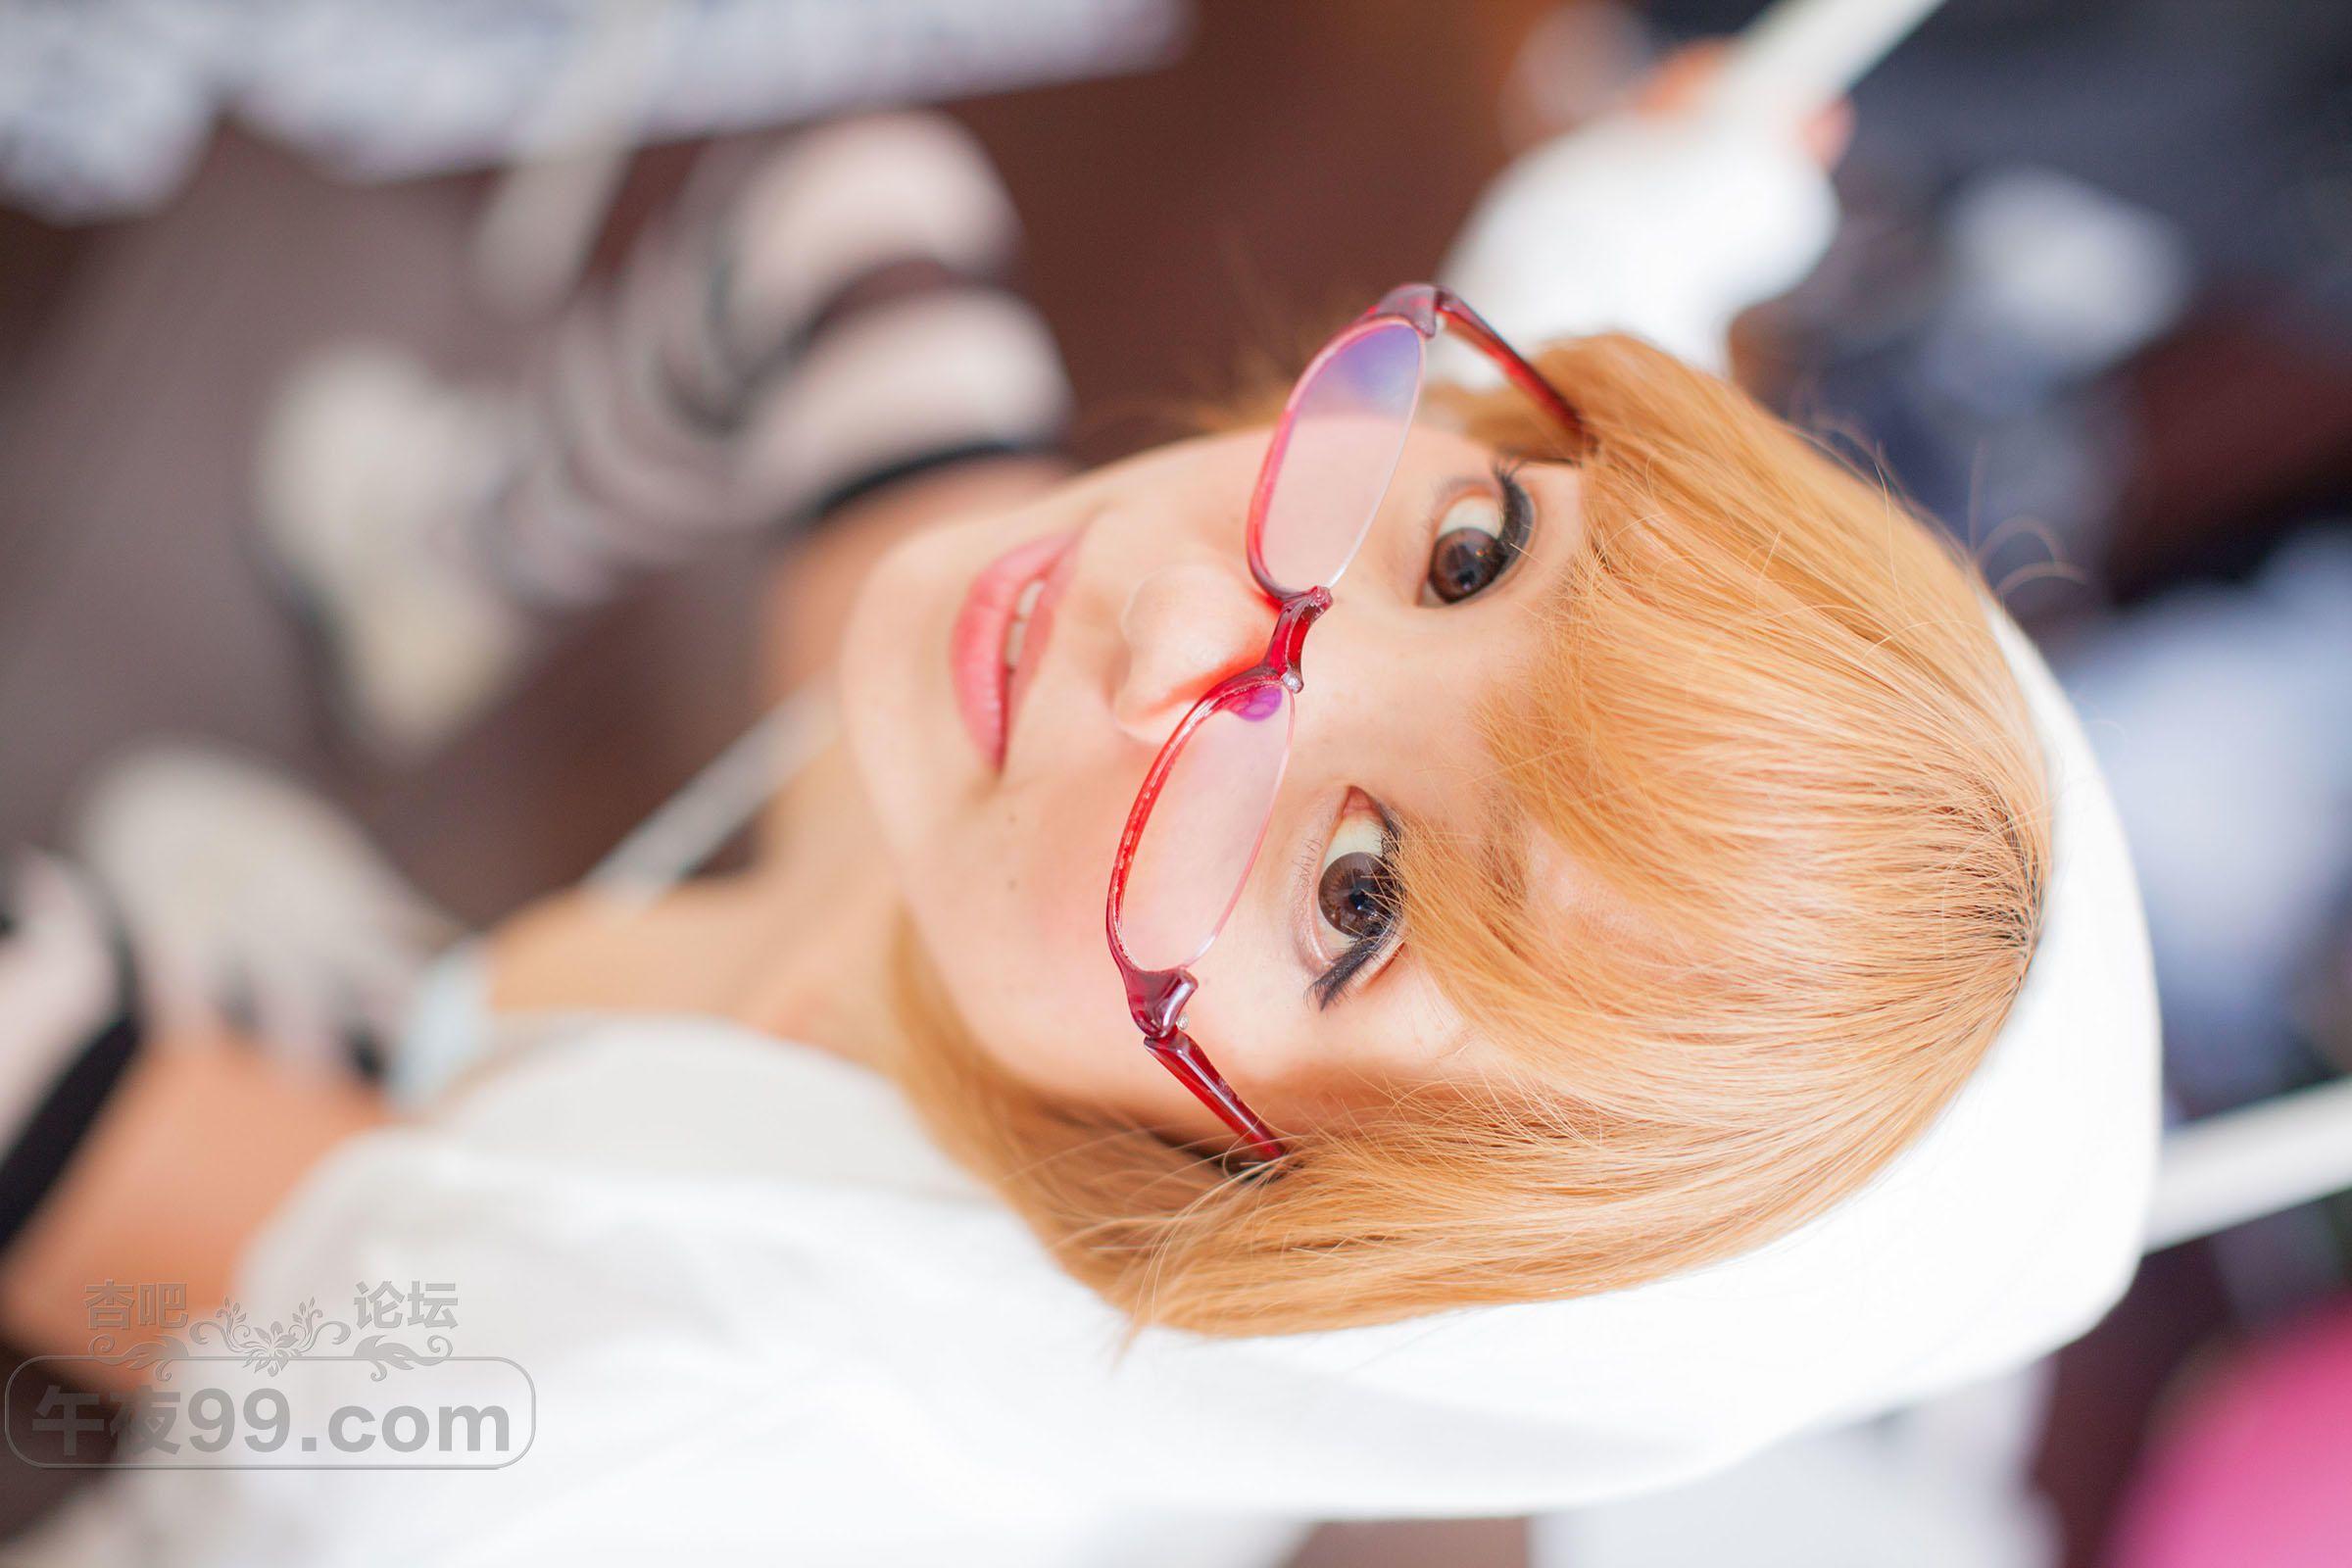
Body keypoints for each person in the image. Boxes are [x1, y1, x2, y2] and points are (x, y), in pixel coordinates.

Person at [0, 47, 2157, 1568]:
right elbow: (1555, 385)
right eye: (1472, 552)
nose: (1181, 614)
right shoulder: (1151, 848)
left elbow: (230, 1294)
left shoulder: (655, 1385)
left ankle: (316, 994)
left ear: (1285, 1220)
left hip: (404, 1294)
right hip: (765, 985)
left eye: (1358, 891)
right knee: (860, 225)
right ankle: (429, 572)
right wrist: (1667, 203)